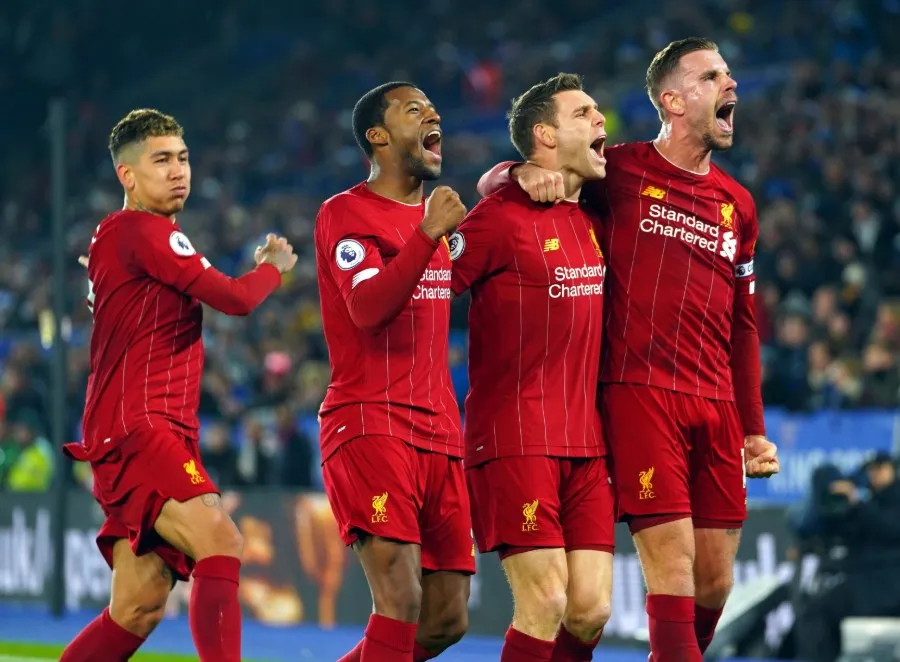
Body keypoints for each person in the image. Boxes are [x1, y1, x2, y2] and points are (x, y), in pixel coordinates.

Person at [477, 38, 781, 662]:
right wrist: (510, 172)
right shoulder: (620, 172)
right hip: (639, 394)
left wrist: (753, 428)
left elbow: (744, 325)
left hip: (717, 403)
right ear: (672, 100)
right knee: (669, 574)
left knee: (714, 583)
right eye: (712, 75)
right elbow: (528, 175)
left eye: (729, 73)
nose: (731, 85)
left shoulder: (738, 206)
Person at [60, 108, 296, 662]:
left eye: (183, 159)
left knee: (138, 605)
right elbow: (235, 300)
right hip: (140, 424)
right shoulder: (142, 230)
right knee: (222, 540)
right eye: (161, 160)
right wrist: (273, 268)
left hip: (141, 424)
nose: (178, 171)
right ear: (128, 175)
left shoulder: (125, 236)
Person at [451, 73, 613, 662]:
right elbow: (429, 288)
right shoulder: (498, 217)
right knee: (543, 602)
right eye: (584, 113)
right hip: (516, 437)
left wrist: (508, 169)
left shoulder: (597, 211)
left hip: (587, 443)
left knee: (591, 610)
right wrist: (508, 176)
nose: (601, 121)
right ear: (544, 135)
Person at [315, 82, 472, 662]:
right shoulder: (345, 212)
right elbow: (369, 309)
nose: (433, 115)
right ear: (377, 137)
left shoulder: (445, 221)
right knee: (400, 602)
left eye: (433, 109)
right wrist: (428, 234)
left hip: (440, 433)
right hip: (370, 422)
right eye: (414, 110)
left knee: (447, 618)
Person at [794, 452, 900, 661]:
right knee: (814, 610)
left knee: (820, 613)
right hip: (872, 583)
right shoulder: (874, 499)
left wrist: (856, 501)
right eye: (871, 469)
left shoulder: (893, 497)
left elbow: (890, 527)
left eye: (879, 468)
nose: (874, 475)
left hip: (888, 586)